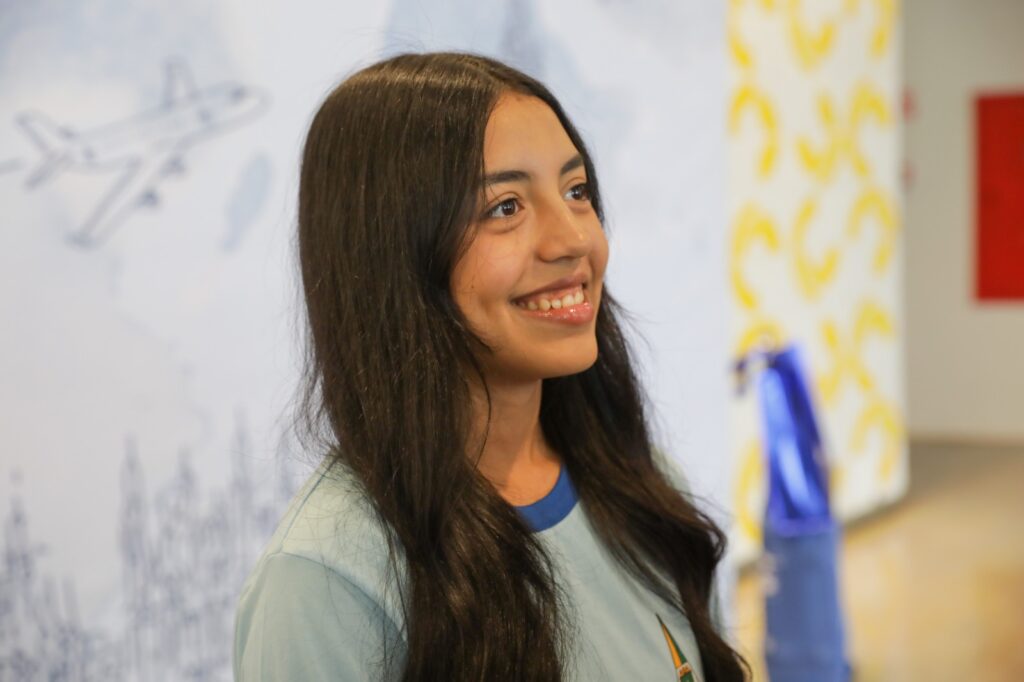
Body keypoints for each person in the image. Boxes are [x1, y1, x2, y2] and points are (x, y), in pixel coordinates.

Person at [233, 52, 748, 681]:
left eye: (576, 191)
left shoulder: (639, 487)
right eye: (505, 206)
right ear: (393, 255)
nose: (573, 240)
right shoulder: (329, 581)